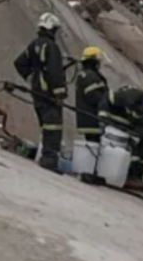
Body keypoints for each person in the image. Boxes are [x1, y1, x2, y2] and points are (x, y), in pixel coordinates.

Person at [13, 13, 67, 171]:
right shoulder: (51, 47)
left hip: (36, 91)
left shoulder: (34, 44)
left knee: (45, 126)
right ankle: (49, 159)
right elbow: (55, 72)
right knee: (53, 126)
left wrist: (31, 77)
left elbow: (19, 63)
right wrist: (59, 94)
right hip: (49, 94)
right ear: (51, 28)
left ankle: (44, 156)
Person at [99, 84, 143, 187]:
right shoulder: (128, 95)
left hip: (129, 128)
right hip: (112, 122)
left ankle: (133, 176)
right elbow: (107, 99)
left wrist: (135, 138)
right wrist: (103, 120)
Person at [73, 47, 109, 185]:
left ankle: (90, 171)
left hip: (87, 118)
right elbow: (95, 97)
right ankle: (90, 172)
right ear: (93, 61)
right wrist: (108, 103)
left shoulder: (84, 75)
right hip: (92, 118)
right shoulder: (91, 77)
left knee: (92, 145)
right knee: (94, 146)